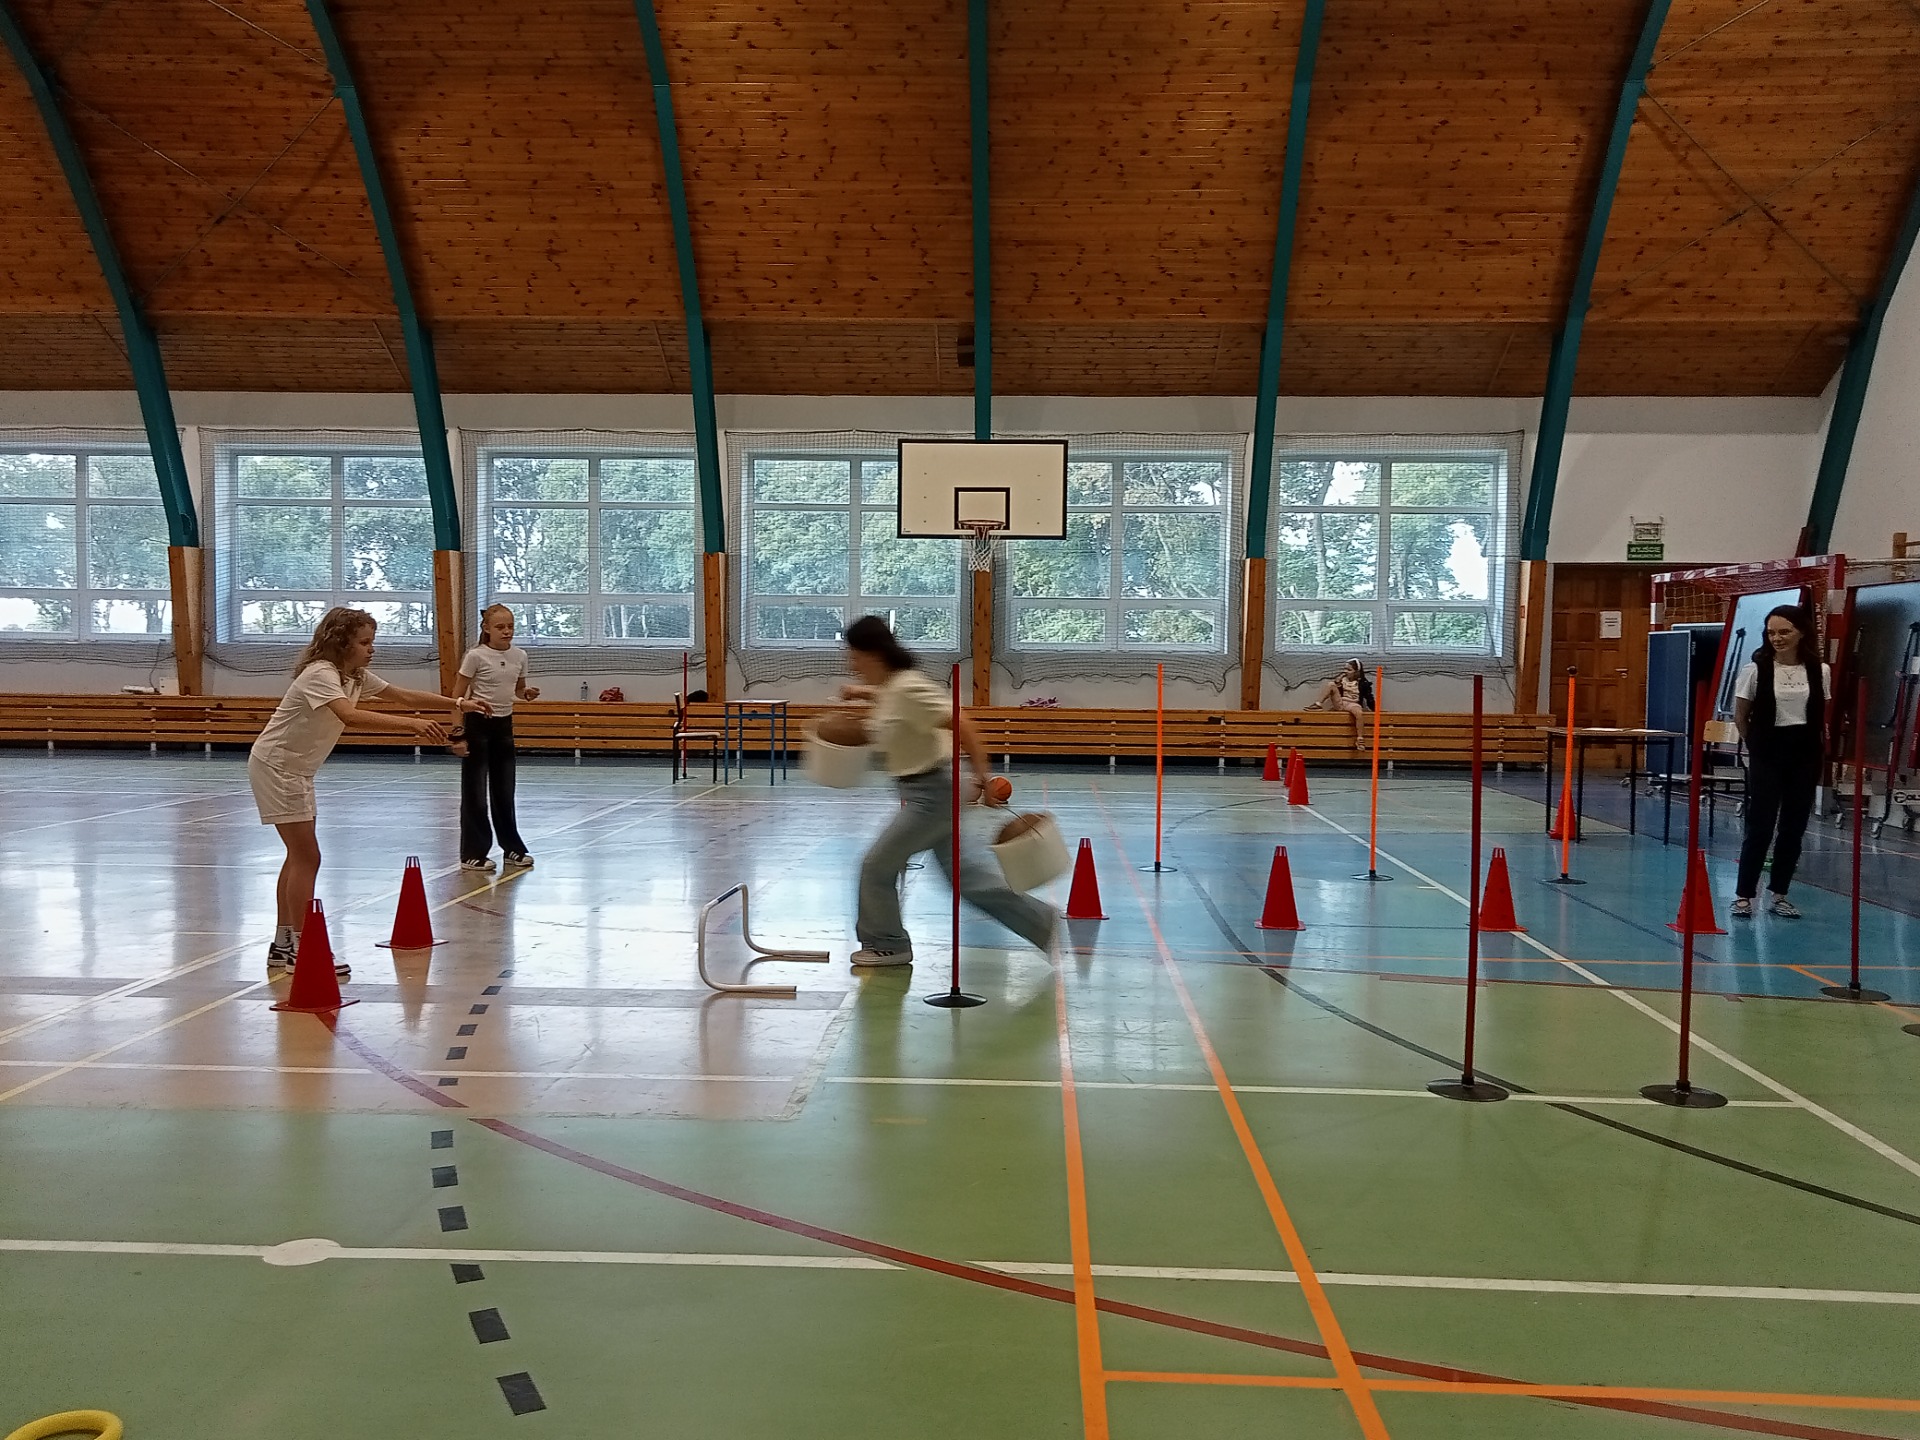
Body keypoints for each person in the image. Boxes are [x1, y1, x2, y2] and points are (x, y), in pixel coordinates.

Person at [249, 606, 488, 978]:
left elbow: (403, 696)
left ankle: (284, 944)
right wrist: (412, 726)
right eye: (364, 642)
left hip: (297, 770)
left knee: (298, 856)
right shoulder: (321, 674)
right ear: (341, 642)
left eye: (371, 642)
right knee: (307, 856)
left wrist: (458, 703)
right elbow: (349, 715)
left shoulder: (354, 676)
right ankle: (303, 947)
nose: (370, 649)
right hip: (277, 767)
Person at [838, 615, 1059, 967]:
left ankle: (888, 944)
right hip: (923, 792)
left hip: (932, 795)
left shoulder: (908, 687)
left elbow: (962, 723)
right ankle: (1042, 923)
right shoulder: (893, 688)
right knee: (965, 878)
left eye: (854, 655)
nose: (852, 664)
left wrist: (985, 778)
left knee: (876, 866)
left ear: (872, 654)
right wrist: (860, 692)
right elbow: (892, 701)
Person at [1730, 604, 1830, 919]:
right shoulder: (1755, 670)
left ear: (1801, 633)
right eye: (1772, 632)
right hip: (1767, 753)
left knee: (1793, 827)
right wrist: (1755, 746)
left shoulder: (1820, 670)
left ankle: (1779, 894)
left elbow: (1820, 713)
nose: (1777, 638)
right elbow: (1741, 715)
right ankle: (1744, 895)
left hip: (1805, 753)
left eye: (1785, 632)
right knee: (1760, 825)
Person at [451, 603, 540, 873]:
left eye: (510, 626)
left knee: (505, 790)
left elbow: (518, 689)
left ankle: (512, 848)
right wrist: (457, 735)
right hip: (478, 725)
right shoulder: (475, 656)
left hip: (504, 725)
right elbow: (457, 697)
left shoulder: (520, 655)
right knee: (475, 792)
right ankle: (473, 852)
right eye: (500, 626)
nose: (507, 631)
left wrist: (526, 693)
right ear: (486, 628)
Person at [1303, 659, 1375, 747]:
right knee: (1330, 684)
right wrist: (1338, 682)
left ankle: (1360, 738)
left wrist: (1375, 709)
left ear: (1356, 672)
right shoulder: (1342, 680)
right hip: (1341, 702)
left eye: (1349, 670)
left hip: (1353, 704)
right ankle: (1318, 704)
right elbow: (1335, 691)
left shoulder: (1363, 683)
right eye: (1345, 669)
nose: (1346, 671)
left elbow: (1369, 698)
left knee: (1359, 713)